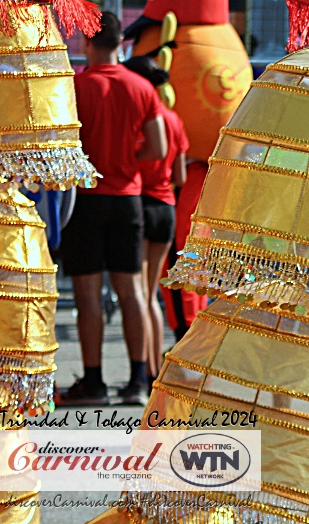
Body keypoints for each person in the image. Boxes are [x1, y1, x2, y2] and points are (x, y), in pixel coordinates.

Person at [59, 12, 167, 407]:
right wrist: (125, 158)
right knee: (133, 291)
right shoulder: (142, 88)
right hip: (128, 199)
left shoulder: (73, 87)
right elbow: (157, 148)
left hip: (85, 200)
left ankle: (93, 382)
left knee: (87, 294)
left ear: (86, 43)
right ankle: (138, 380)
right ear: (122, 43)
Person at [124, 55, 190, 384]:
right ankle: (154, 372)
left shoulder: (137, 117)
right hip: (166, 208)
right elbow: (180, 175)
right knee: (151, 295)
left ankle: (146, 370)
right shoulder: (174, 120)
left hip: (140, 204)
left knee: (140, 293)